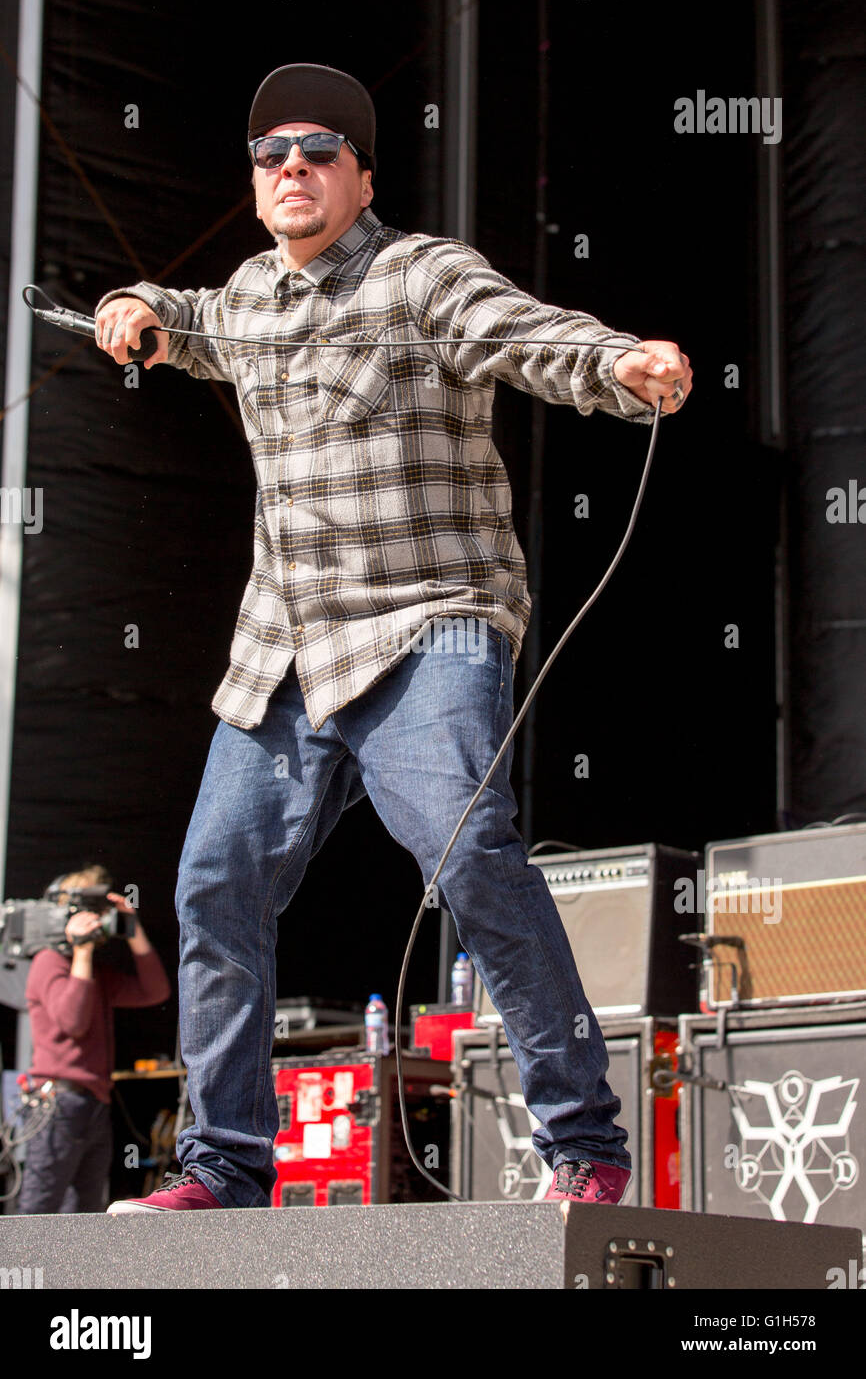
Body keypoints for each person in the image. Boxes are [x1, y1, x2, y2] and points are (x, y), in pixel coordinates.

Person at [94, 63, 692, 1214]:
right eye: (270, 154)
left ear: (362, 172)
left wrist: (618, 366)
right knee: (214, 883)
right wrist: (140, 310)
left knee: (469, 854)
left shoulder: (421, 274)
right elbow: (188, 320)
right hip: (286, 648)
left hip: (429, 625)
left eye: (318, 149)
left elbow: (518, 333)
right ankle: (222, 1166)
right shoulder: (253, 294)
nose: (292, 170)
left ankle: (584, 1141)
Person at [16, 865, 171, 1214]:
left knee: (85, 1212)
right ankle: (22, 1271)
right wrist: (82, 953)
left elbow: (155, 990)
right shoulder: (48, 962)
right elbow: (74, 1022)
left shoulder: (96, 975)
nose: (99, 920)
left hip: (94, 1105)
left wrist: (131, 929)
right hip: (59, 1103)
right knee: (40, 1209)